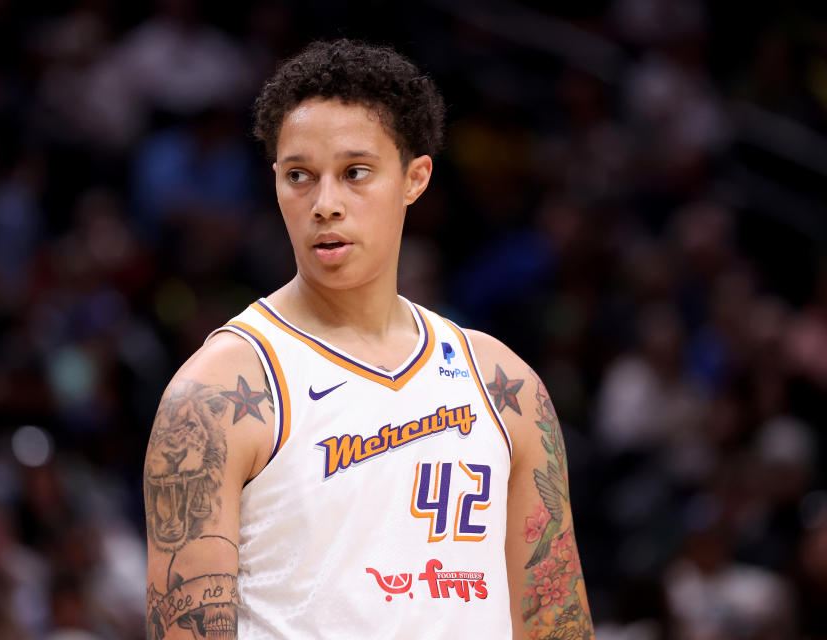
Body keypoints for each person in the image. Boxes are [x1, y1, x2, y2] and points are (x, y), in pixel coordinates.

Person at [143, 39, 594, 639]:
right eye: (300, 176)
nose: (325, 204)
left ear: (415, 178)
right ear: (275, 181)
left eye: (356, 173)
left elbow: (556, 625)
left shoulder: (502, 385)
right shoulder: (220, 391)